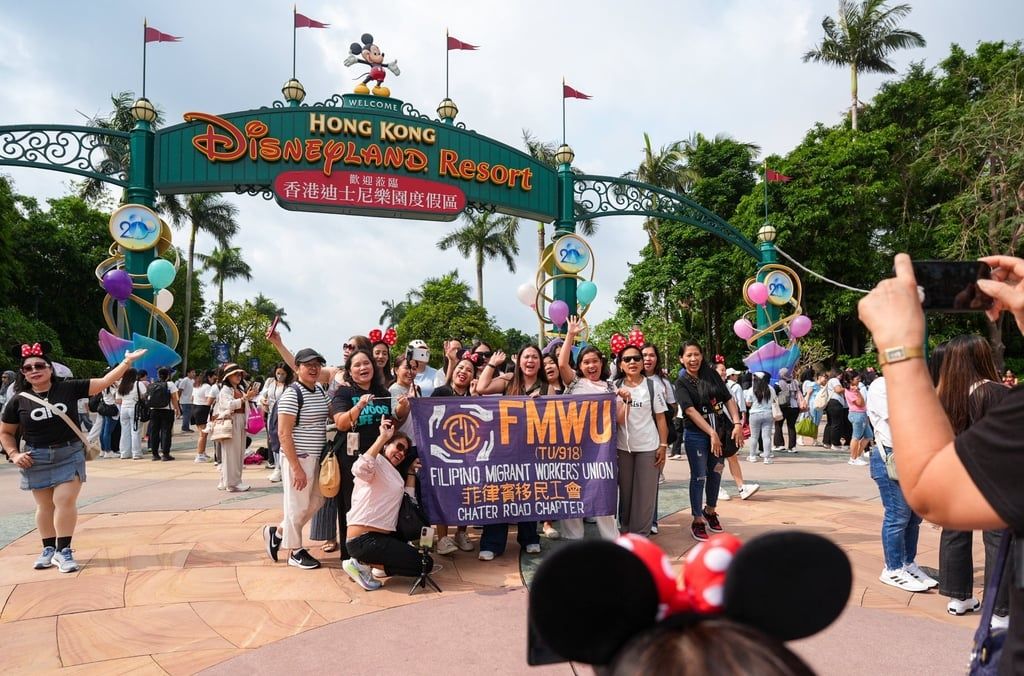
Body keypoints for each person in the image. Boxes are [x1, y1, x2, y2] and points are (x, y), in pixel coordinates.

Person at [857, 253, 1024, 673]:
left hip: (965, 477)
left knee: (948, 533)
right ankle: (985, 599)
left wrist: (899, 348)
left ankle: (956, 592)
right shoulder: (994, 393)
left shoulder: (950, 394)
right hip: (986, 479)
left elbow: (932, 490)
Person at [0, 342, 146, 572]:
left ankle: (63, 550)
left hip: (69, 453)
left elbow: (104, 382)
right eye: (28, 368)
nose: (35, 370)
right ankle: (48, 548)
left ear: (50, 368)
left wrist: (127, 362)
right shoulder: (18, 400)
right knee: (44, 505)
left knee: (64, 500)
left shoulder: (68, 388)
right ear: (23, 374)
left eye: (40, 365)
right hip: (35, 457)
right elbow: (6, 433)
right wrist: (14, 453)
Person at [935, 335, 1011, 619]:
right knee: (998, 540)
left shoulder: (944, 394)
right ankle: (1000, 612)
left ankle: (959, 597)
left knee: (955, 533)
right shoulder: (994, 391)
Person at [330, 348, 406, 560]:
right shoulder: (344, 393)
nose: (363, 368)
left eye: (367, 363)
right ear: (349, 371)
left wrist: (402, 409)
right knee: (351, 507)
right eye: (357, 365)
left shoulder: (383, 393)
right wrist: (360, 405)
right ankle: (349, 556)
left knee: (375, 506)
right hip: (350, 460)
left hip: (377, 459)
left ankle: (373, 552)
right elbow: (341, 424)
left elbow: (392, 423)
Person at [866, 369, 935, 593]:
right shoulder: (881, 385)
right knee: (898, 515)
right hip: (891, 458)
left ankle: (907, 563)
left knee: (914, 516)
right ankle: (893, 568)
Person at [474, 346, 547, 559]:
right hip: (504, 448)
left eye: (535, 357)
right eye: (527, 357)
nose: (530, 361)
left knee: (529, 492)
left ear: (540, 362)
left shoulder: (547, 386)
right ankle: (492, 543)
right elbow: (481, 387)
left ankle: (530, 538)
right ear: (520, 361)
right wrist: (492, 364)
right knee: (500, 491)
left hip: (532, 449)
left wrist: (541, 405)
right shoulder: (508, 381)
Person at [262, 348, 331, 570]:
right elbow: (284, 433)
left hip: (318, 456)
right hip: (299, 457)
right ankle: (294, 551)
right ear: (297, 368)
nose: (313, 368)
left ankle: (278, 532)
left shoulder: (319, 389)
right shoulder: (292, 394)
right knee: (297, 504)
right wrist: (296, 468)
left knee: (318, 499)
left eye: (317, 365)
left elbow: (331, 412)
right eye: (308, 365)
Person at [557, 317, 625, 541]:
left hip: (601, 452)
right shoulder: (574, 382)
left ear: (601, 363)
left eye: (594, 361)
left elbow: (619, 419)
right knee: (573, 490)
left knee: (603, 491)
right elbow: (561, 364)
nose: (591, 366)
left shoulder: (610, 386)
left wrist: (627, 401)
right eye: (586, 362)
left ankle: (611, 538)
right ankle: (572, 537)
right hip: (574, 449)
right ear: (580, 366)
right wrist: (570, 334)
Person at [342, 418, 428, 591]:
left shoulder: (394, 473)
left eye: (404, 451)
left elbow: (408, 501)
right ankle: (361, 563)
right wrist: (382, 437)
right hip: (364, 539)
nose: (401, 453)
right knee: (425, 566)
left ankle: (374, 564)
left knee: (425, 563)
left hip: (382, 537)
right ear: (386, 446)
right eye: (398, 447)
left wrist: (411, 471)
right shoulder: (376, 462)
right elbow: (360, 468)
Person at [675, 341, 745, 542]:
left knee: (716, 472)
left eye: (696, 354)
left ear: (702, 356)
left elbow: (728, 398)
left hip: (721, 431)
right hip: (696, 435)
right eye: (688, 355)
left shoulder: (711, 375)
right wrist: (710, 433)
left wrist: (737, 423)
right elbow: (689, 410)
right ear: (681, 359)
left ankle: (710, 510)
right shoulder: (681, 382)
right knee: (698, 476)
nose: (693, 359)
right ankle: (697, 519)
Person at [613, 343, 668, 535]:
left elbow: (661, 418)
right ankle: (626, 530)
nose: (632, 362)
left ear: (643, 362)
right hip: (623, 447)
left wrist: (663, 445)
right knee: (626, 493)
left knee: (645, 494)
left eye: (637, 358)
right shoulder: (614, 387)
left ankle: (641, 534)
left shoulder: (653, 386)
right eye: (627, 359)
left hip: (648, 446)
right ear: (620, 365)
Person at [430, 355, 478, 554]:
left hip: (468, 452)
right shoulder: (440, 392)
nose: (463, 372)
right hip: (443, 452)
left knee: (466, 493)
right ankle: (442, 538)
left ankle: (461, 533)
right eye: (460, 367)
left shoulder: (475, 395)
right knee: (443, 492)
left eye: (468, 369)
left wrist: (475, 398)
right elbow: (430, 419)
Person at [213, 363, 260, 492]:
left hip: (239, 421)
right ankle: (233, 483)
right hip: (232, 420)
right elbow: (228, 405)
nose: (238, 376)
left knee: (236, 453)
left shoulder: (238, 388)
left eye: (239, 374)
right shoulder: (225, 390)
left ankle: (226, 481)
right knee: (232, 453)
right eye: (235, 374)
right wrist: (245, 398)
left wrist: (248, 397)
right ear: (228, 376)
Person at [716, 364, 759, 500]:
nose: (724, 372)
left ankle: (741, 487)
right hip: (717, 427)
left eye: (724, 370)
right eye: (721, 370)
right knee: (718, 460)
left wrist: (738, 423)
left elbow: (735, 405)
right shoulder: (711, 386)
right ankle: (715, 487)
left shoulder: (728, 386)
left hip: (729, 426)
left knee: (732, 455)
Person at [260, 362, 295, 483]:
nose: (280, 376)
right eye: (278, 373)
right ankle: (276, 467)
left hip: (283, 415)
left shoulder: (291, 385)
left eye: (283, 374)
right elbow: (262, 395)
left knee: (283, 440)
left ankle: (281, 468)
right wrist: (263, 401)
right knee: (273, 440)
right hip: (271, 414)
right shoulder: (270, 382)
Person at [147, 367, 181, 462]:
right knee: (166, 432)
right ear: (168, 375)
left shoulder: (153, 384)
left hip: (154, 410)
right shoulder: (170, 384)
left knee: (154, 432)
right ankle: (165, 454)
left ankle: (155, 454)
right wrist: (177, 409)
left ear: (158, 375)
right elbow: (174, 398)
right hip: (167, 410)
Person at [745, 372, 778, 465]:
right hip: (768, 413)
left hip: (754, 414)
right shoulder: (770, 389)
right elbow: (774, 400)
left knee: (754, 436)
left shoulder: (751, 389)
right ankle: (767, 457)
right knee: (766, 437)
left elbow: (748, 403)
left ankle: (752, 456)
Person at [115, 368, 146, 460]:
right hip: (135, 409)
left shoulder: (121, 385)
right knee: (136, 431)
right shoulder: (138, 384)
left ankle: (124, 453)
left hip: (124, 409)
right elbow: (145, 395)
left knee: (124, 432)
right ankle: (136, 453)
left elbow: (118, 400)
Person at [773, 367, 803, 453]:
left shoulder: (778, 383)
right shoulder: (795, 383)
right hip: (794, 407)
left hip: (783, 407)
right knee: (791, 426)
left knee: (778, 425)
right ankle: (792, 447)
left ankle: (779, 444)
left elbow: (774, 396)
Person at [192, 370, 218, 463]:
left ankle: (202, 452)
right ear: (209, 377)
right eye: (213, 377)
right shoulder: (207, 386)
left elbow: (192, 398)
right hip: (203, 409)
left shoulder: (197, 385)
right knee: (203, 434)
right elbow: (208, 401)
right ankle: (200, 455)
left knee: (202, 433)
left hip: (195, 408)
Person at [844, 371, 869, 466]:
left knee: (868, 436)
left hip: (862, 414)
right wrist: (858, 392)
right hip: (857, 414)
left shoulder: (853, 390)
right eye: (857, 379)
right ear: (851, 380)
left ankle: (857, 456)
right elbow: (861, 403)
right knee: (856, 437)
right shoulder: (850, 391)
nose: (859, 381)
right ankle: (853, 458)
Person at [822, 368, 849, 451]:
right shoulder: (834, 380)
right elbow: (838, 390)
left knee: (830, 423)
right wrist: (848, 388)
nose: (841, 376)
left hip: (831, 404)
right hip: (836, 403)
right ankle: (835, 443)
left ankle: (827, 442)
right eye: (840, 374)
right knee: (836, 424)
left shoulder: (830, 380)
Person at [177, 369, 196, 433]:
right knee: (186, 415)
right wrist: (178, 399)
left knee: (189, 414)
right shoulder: (185, 380)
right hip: (185, 400)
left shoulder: (193, 381)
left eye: (194, 372)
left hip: (191, 400)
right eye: (192, 372)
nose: (194, 374)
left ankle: (186, 426)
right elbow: (180, 390)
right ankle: (185, 427)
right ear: (188, 373)